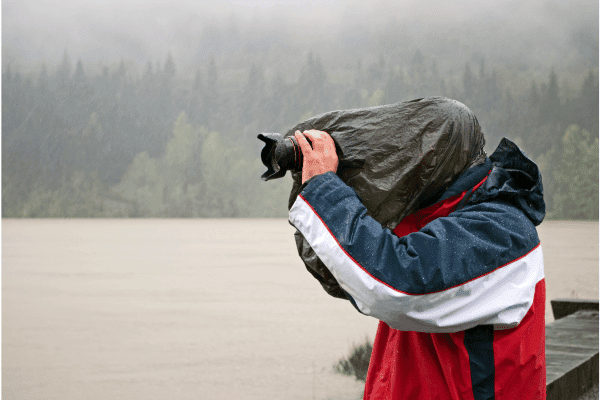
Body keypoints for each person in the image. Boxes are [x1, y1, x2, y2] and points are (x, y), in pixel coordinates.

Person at [288, 102, 546, 400]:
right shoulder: (434, 224)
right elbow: (346, 273)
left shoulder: (500, 232)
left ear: (447, 159)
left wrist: (324, 187)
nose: (410, 164)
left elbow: (392, 286)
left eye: (423, 154)